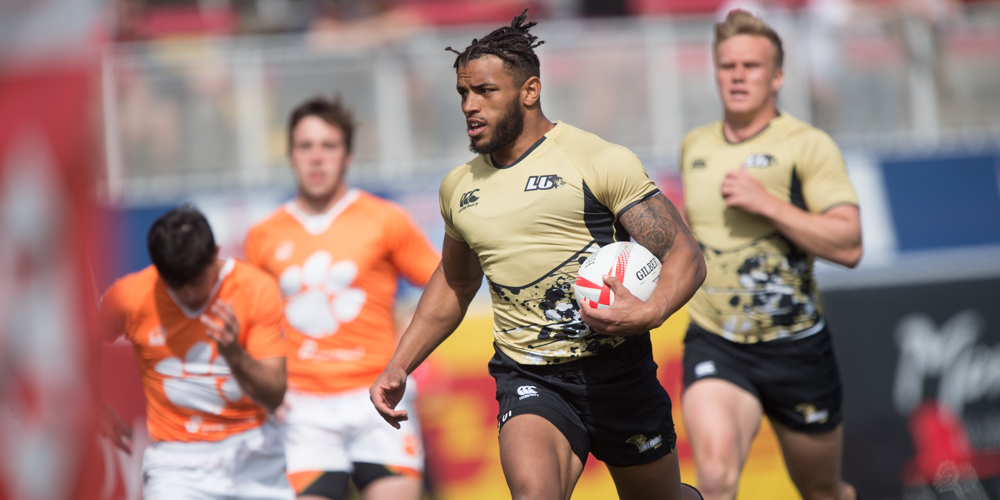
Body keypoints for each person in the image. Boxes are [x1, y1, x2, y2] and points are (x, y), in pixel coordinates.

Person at [370, 10, 707, 500]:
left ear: (530, 91)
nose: (470, 105)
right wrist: (400, 363)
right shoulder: (459, 188)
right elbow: (458, 282)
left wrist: (650, 310)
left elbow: (684, 253)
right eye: (463, 93)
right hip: (528, 375)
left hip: (617, 371)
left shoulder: (597, 160)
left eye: (485, 91)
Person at [678, 10, 862, 500]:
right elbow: (694, 238)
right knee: (715, 480)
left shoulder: (808, 145)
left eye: (751, 66)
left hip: (795, 346)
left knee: (821, 490)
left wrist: (767, 205)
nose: (738, 75)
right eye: (727, 65)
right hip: (716, 341)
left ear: (777, 76)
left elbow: (850, 245)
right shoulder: (694, 145)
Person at [244, 96, 439, 500]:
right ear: (290, 156)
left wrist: (408, 347)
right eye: (306, 146)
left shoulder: (385, 219)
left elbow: (444, 283)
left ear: (347, 155)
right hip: (303, 410)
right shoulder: (263, 235)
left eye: (328, 146)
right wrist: (266, 391)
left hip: (378, 400)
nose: (317, 158)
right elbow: (252, 320)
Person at [99, 206, 293, 500]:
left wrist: (234, 355)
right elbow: (77, 345)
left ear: (215, 253)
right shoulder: (129, 296)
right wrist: (93, 404)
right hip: (176, 466)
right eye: (176, 286)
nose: (190, 297)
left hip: (253, 456)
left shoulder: (256, 288)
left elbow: (274, 395)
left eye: (198, 282)